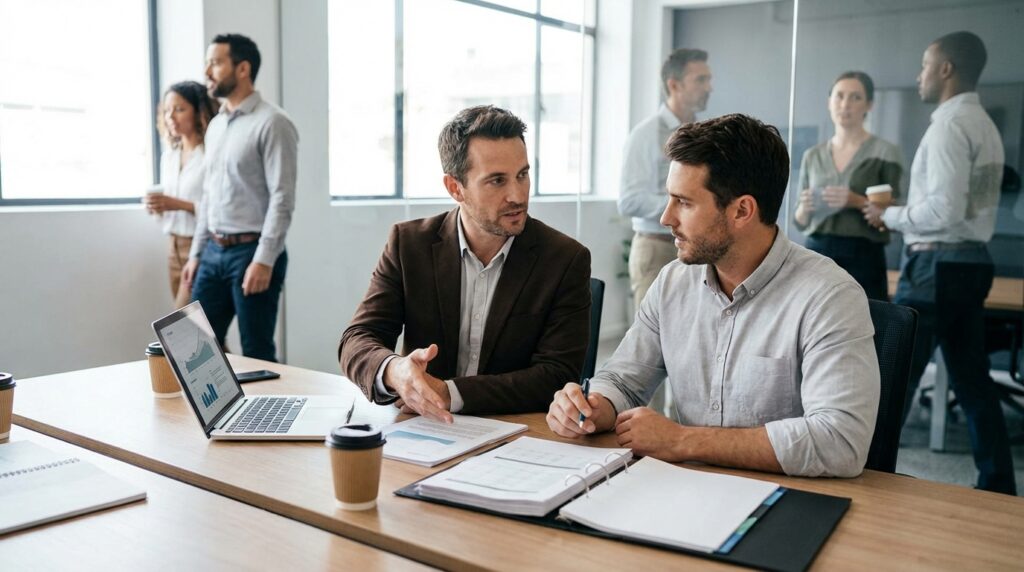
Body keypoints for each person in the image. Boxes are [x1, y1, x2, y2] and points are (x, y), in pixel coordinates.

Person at [548, 114, 879, 478]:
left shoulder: (829, 297)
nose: (665, 218)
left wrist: (684, 441)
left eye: (683, 203)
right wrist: (595, 405)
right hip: (684, 489)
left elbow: (841, 442)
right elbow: (625, 381)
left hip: (789, 499)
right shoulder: (673, 282)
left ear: (742, 211)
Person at [339, 106, 591, 421]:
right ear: (455, 187)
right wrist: (396, 371)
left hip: (515, 433)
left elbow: (556, 375)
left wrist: (449, 393)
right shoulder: (409, 244)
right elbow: (358, 338)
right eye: (497, 181)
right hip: (424, 429)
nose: (517, 194)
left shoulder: (565, 259)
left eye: (522, 175)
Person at [863, 31, 1015, 494]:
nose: (919, 75)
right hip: (969, 264)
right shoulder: (984, 124)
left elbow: (943, 212)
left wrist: (886, 213)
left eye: (926, 65)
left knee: (895, 379)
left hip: (935, 269)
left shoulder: (949, 126)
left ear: (946, 69)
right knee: (973, 382)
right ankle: (999, 485)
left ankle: (867, 478)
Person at [181, 33, 299, 362]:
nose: (207, 71)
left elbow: (282, 198)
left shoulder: (273, 123)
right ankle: (214, 415)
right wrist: (196, 254)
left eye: (216, 63)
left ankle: (268, 414)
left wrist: (264, 259)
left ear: (243, 68)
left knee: (256, 352)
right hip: (213, 253)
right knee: (193, 346)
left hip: (252, 252)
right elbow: (209, 195)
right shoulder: (217, 125)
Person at [793, 71, 903, 301]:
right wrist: (805, 206)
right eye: (839, 96)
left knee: (870, 324)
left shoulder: (885, 153)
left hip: (864, 255)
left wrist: (856, 201)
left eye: (855, 97)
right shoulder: (812, 155)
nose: (845, 104)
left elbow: (895, 218)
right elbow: (800, 222)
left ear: (869, 105)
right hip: (817, 252)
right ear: (829, 102)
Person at [619, 48, 712, 310]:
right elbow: (628, 200)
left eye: (709, 79)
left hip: (697, 250)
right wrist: (685, 205)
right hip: (657, 249)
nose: (710, 87)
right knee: (652, 344)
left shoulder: (704, 134)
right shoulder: (645, 135)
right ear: (674, 84)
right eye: (701, 80)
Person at [145, 81, 218, 309]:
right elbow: (167, 213)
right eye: (167, 111)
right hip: (173, 246)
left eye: (179, 109)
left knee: (184, 324)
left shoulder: (210, 155)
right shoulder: (169, 157)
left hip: (200, 246)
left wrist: (176, 203)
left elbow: (215, 207)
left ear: (198, 112)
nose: (171, 117)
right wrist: (158, 208)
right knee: (199, 330)